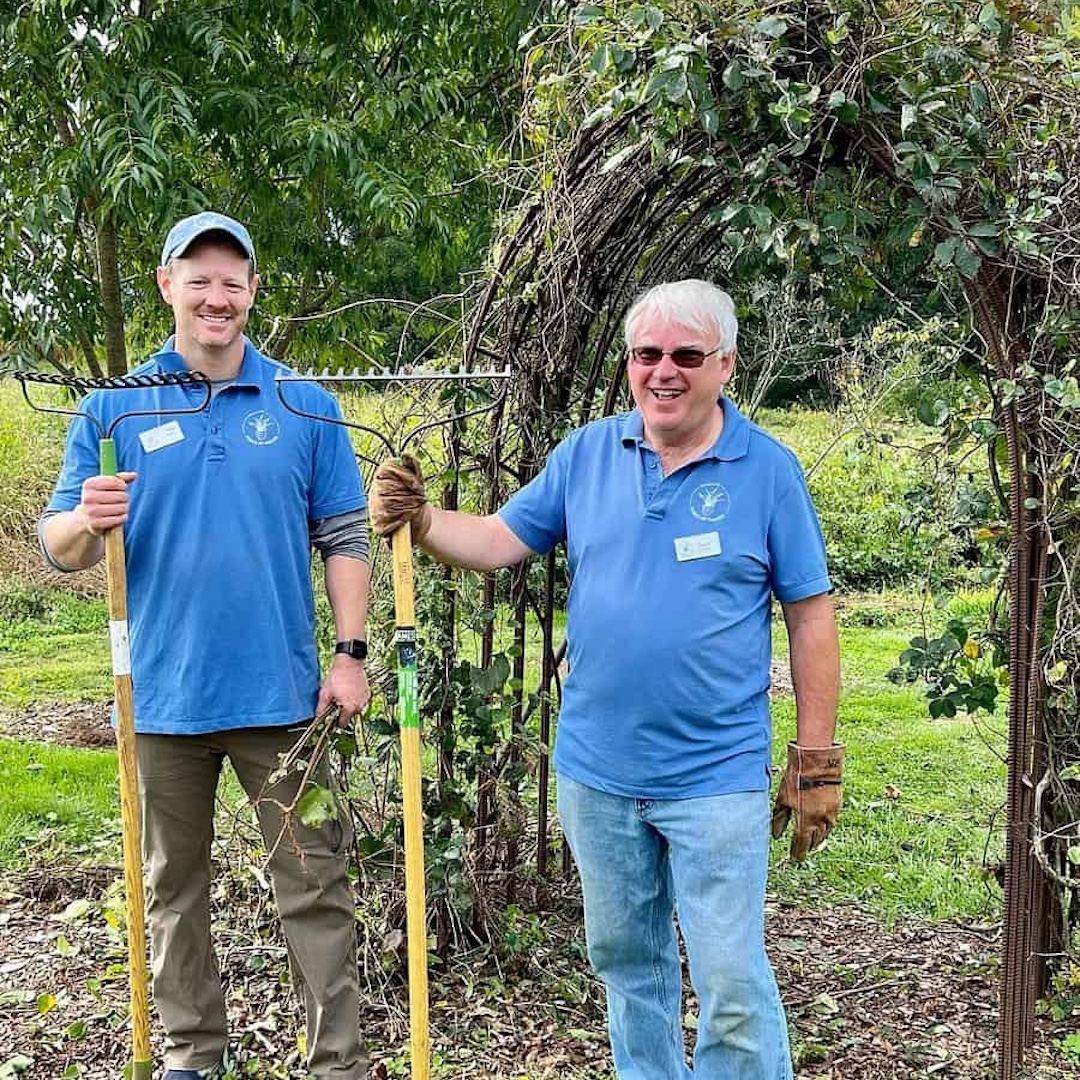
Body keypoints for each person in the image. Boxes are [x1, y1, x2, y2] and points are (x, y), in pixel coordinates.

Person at [369, 279, 843, 1079]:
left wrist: (817, 757)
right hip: (598, 771)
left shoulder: (767, 473)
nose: (664, 371)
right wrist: (420, 521)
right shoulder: (587, 454)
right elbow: (495, 539)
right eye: (646, 354)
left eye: (686, 356)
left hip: (715, 775)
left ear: (725, 364)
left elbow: (812, 616)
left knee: (730, 976)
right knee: (629, 966)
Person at [39, 212, 371, 1080]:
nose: (216, 297)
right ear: (167, 286)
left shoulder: (306, 406)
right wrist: (87, 518)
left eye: (233, 281)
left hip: (286, 702)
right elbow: (60, 544)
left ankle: (335, 1061)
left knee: (314, 885)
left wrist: (350, 654)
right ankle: (191, 1055)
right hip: (160, 698)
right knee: (172, 892)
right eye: (200, 278)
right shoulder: (115, 406)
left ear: (253, 292)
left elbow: (345, 538)